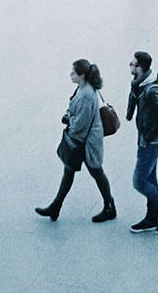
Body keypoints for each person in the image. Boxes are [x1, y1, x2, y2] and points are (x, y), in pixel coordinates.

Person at [36, 59, 116, 224]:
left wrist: (68, 119)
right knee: (72, 172)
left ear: (81, 76)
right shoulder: (82, 88)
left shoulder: (86, 94)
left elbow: (81, 123)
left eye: (73, 73)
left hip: (85, 142)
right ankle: (56, 207)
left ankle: (109, 207)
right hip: (84, 141)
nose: (70, 75)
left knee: (96, 172)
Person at [125, 52, 158, 232]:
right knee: (150, 178)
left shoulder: (151, 91)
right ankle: (152, 217)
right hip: (146, 139)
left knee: (139, 181)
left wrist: (147, 137)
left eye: (131, 64)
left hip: (151, 142)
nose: (129, 65)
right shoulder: (140, 83)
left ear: (139, 68)